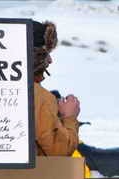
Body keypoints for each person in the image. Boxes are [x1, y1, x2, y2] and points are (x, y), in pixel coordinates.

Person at [32, 20, 80, 156]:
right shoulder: (38, 96)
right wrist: (69, 117)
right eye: (45, 53)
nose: (50, 60)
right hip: (25, 176)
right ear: (35, 56)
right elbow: (59, 151)